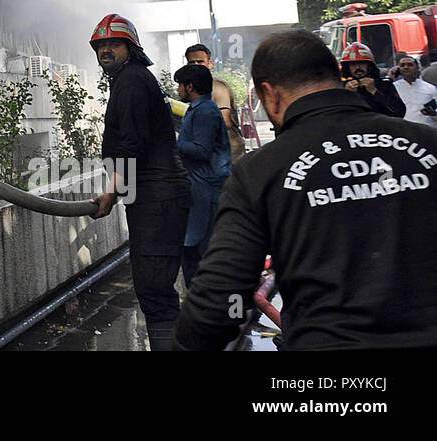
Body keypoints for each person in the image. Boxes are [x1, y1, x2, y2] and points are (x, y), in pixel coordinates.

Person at [175, 30, 437, 350]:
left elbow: (218, 299)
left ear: (269, 94)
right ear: (336, 77)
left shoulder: (261, 171)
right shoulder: (427, 145)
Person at [88, 14, 192, 351]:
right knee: (155, 286)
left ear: (130, 49)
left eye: (113, 44)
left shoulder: (131, 81)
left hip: (156, 199)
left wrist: (110, 191)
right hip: (156, 197)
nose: (106, 50)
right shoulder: (131, 79)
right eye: (101, 45)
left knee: (154, 288)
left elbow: (132, 144)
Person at [172, 63, 231, 287]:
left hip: (206, 191)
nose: (178, 89)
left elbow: (202, 150)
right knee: (192, 249)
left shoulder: (205, 111)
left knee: (202, 250)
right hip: (198, 189)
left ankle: (210, 304)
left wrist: (175, 142)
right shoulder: (197, 109)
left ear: (190, 86)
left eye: (180, 85)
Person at [184, 44, 244, 161]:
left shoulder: (217, 86)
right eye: (192, 63)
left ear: (209, 64)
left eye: (200, 62)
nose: (196, 66)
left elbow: (225, 121)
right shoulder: (193, 89)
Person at [339, 42, 406, 118]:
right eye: (353, 64)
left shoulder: (384, 85)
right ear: (347, 67)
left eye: (361, 63)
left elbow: (399, 112)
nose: (357, 67)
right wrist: (348, 95)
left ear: (369, 65)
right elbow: (335, 117)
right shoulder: (341, 87)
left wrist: (374, 92)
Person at [394, 54, 437, 126]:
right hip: (403, 130)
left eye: (410, 65)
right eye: (402, 65)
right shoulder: (393, 88)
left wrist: (433, 113)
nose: (406, 67)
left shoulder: (430, 88)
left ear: (417, 68)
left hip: (426, 129)